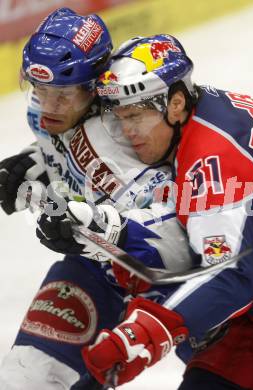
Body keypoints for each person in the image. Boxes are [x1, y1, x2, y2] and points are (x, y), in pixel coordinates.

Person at [60, 34, 253, 389]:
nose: (127, 132)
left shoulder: (213, 159)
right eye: (121, 116)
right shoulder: (207, 106)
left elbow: (230, 275)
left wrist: (145, 333)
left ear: (174, 104)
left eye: (137, 116)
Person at [0, 13, 193, 390]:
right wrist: (38, 163)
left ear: (94, 89)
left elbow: (178, 243)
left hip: (173, 282)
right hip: (99, 270)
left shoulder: (118, 134)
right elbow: (66, 150)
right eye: (39, 90)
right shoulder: (48, 118)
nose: (48, 106)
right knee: (27, 379)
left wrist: (101, 227)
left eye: (62, 95)